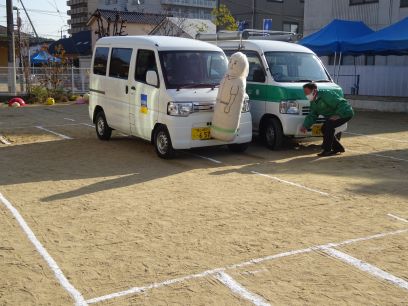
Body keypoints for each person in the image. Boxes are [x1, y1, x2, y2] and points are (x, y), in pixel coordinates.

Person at [300, 82, 354, 157]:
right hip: (333, 116)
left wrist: (339, 115)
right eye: (305, 92)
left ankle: (327, 150)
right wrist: (305, 126)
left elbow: (342, 103)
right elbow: (312, 115)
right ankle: (338, 148)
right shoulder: (313, 101)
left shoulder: (326, 95)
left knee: (328, 126)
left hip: (345, 113)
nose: (306, 95)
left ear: (314, 91)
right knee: (324, 128)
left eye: (307, 92)